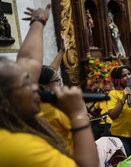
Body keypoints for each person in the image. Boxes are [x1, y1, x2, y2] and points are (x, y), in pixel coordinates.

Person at [0, 4, 99, 167]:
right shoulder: (18, 146)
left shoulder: (14, 107)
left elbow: (28, 60)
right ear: (5, 99)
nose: (35, 86)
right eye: (27, 83)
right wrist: (78, 114)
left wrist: (38, 20)